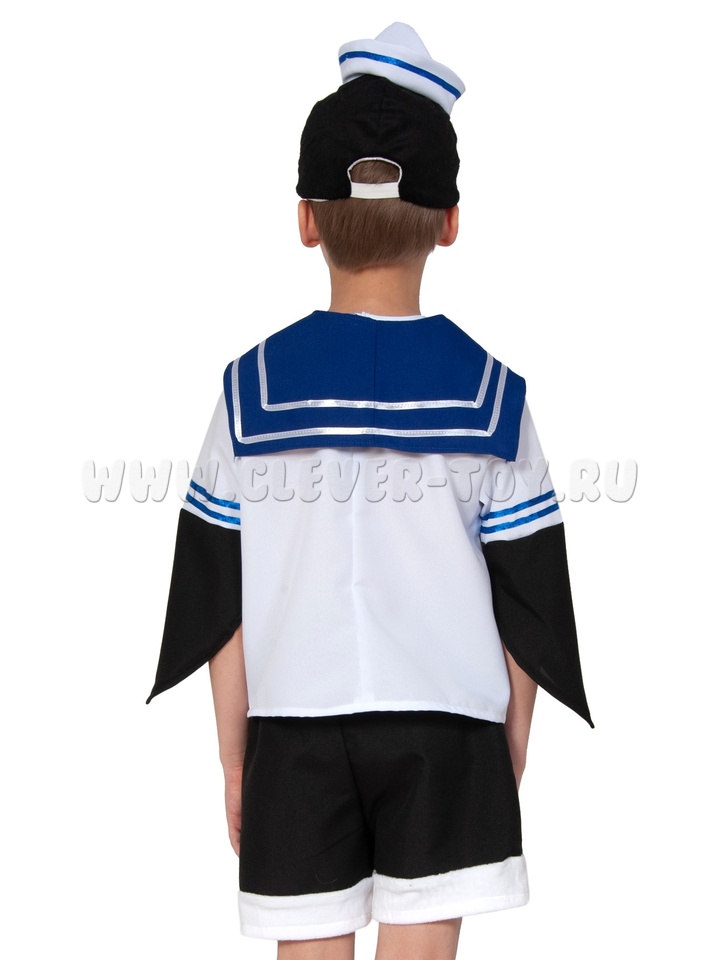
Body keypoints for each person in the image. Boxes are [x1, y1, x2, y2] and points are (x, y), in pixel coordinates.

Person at [146, 23, 593, 960]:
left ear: (306, 218)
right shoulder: (492, 397)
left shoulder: (250, 393)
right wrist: (509, 742)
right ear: (450, 220)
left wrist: (235, 755)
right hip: (449, 733)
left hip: (293, 736)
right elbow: (529, 596)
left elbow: (216, 596)